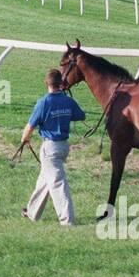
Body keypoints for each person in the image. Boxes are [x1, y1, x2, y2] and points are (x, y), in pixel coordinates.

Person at [19, 68, 86, 225]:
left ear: (46, 83)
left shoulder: (43, 103)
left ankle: (67, 221)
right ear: (62, 83)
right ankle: (32, 212)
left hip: (50, 148)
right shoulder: (68, 101)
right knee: (44, 181)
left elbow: (29, 127)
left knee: (57, 183)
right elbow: (81, 115)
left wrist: (24, 139)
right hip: (63, 147)